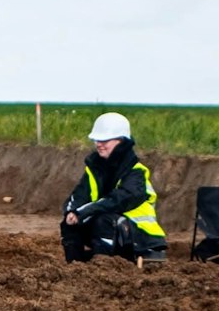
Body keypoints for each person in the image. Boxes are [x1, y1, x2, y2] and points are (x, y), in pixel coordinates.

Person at [62, 111, 166, 264]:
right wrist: (71, 212)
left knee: (103, 220)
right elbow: (79, 195)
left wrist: (84, 211)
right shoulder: (94, 169)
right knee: (70, 223)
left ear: (121, 141)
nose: (99, 144)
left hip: (142, 238)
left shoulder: (136, 172)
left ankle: (104, 268)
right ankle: (75, 268)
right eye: (97, 140)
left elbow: (118, 200)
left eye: (104, 140)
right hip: (116, 230)